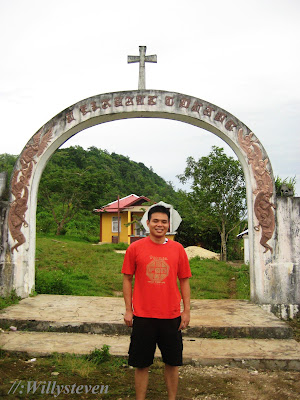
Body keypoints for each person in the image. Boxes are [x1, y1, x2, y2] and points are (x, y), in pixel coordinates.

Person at [122, 204, 192, 400]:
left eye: (163, 221)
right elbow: (127, 279)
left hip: (171, 316)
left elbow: (184, 280)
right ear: (147, 223)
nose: (159, 225)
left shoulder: (178, 249)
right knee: (141, 363)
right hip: (143, 316)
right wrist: (129, 310)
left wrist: (186, 311)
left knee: (172, 362)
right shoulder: (135, 248)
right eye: (155, 221)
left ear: (169, 224)